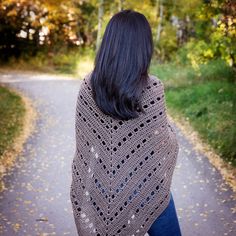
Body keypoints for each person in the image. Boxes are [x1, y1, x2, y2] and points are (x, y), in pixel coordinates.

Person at [70, 9, 182, 236]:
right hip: (146, 188)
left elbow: (84, 144)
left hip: (99, 187)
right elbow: (164, 142)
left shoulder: (88, 86)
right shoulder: (152, 88)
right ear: (143, 48)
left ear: (109, 43)